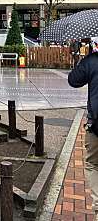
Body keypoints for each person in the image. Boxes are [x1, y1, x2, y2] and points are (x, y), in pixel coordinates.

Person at [68, 46, 98, 216]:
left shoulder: (92, 60)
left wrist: (79, 58)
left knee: (94, 164)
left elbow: (73, 80)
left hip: (96, 125)